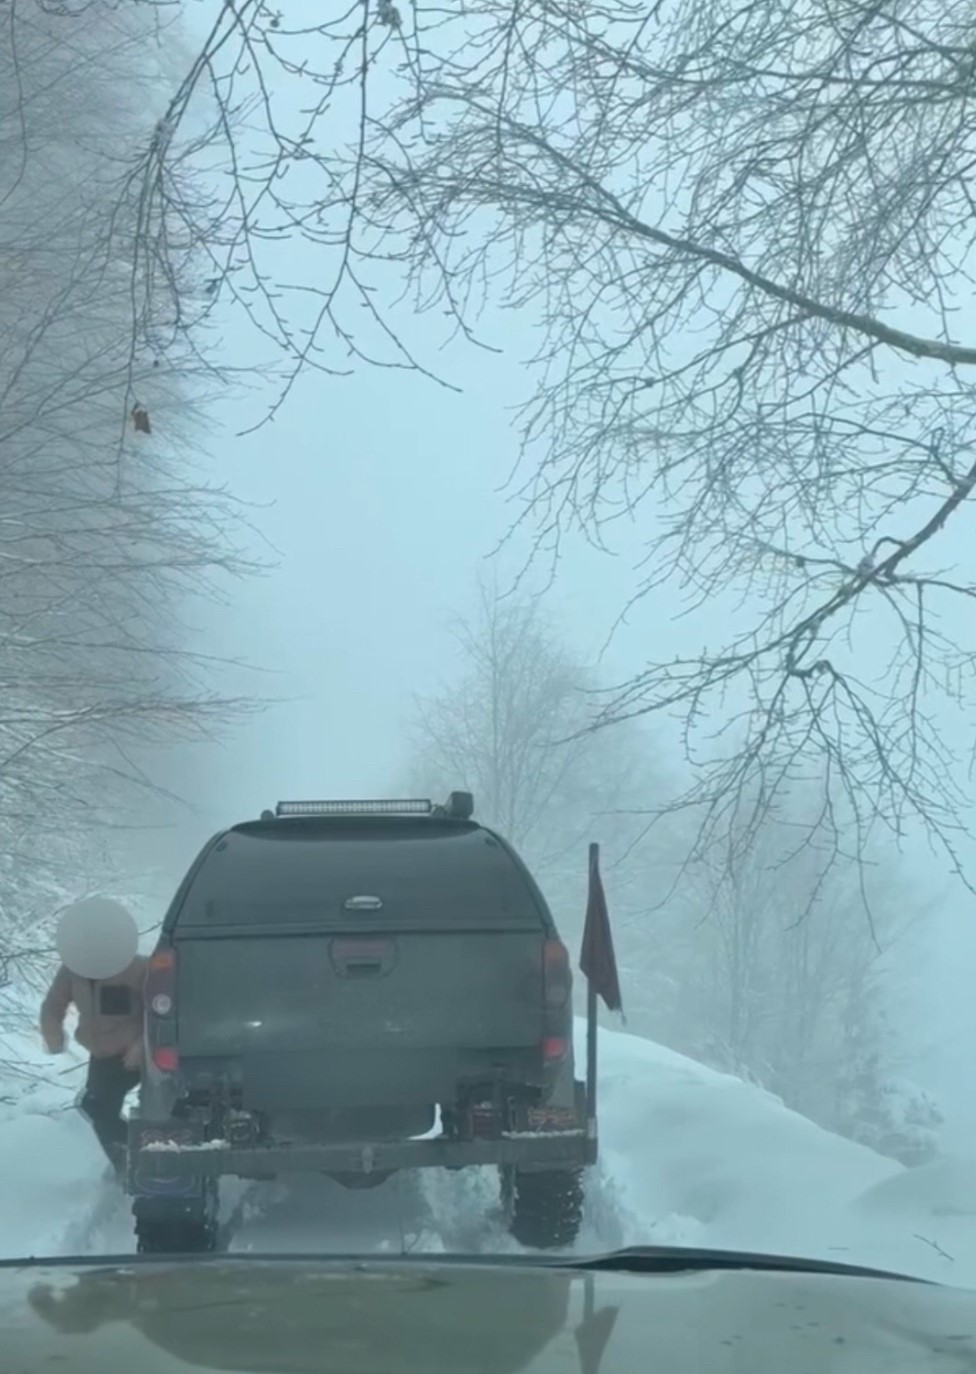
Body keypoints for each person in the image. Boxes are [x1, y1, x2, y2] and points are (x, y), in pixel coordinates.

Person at [40, 897, 148, 1174]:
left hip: (141, 1053)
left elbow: (162, 1011)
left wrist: (142, 1043)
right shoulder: (72, 972)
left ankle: (150, 1161)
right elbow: (53, 1006)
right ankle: (128, 1163)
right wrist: (54, 1037)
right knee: (96, 1107)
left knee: (156, 1110)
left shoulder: (137, 969)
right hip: (103, 1056)